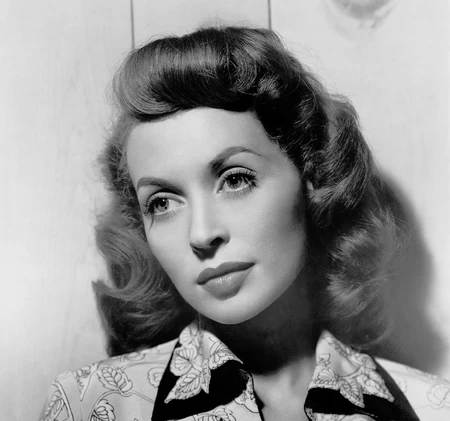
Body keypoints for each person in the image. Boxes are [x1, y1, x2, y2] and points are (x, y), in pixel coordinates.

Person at [40, 26, 449, 421]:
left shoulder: (434, 409)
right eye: (162, 203)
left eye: (235, 180)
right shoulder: (90, 405)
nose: (202, 235)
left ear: (312, 178)